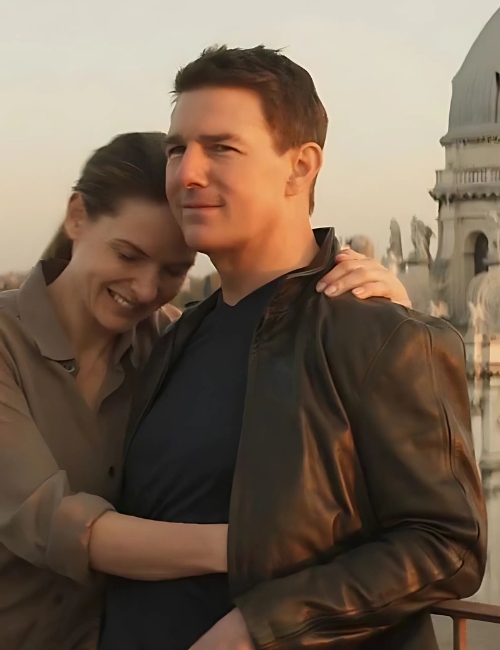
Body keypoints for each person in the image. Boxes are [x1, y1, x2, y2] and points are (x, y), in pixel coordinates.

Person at [100, 48, 487, 650]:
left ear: (301, 167)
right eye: (177, 149)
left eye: (221, 148)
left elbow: (447, 546)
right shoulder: (175, 336)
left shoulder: (379, 335)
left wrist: (259, 628)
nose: (187, 173)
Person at [0, 131, 410, 650]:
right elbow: (51, 521)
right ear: (77, 217)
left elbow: (291, 370)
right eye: (127, 255)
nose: (146, 289)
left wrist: (388, 312)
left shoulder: (170, 342)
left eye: (173, 271)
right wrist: (263, 548)